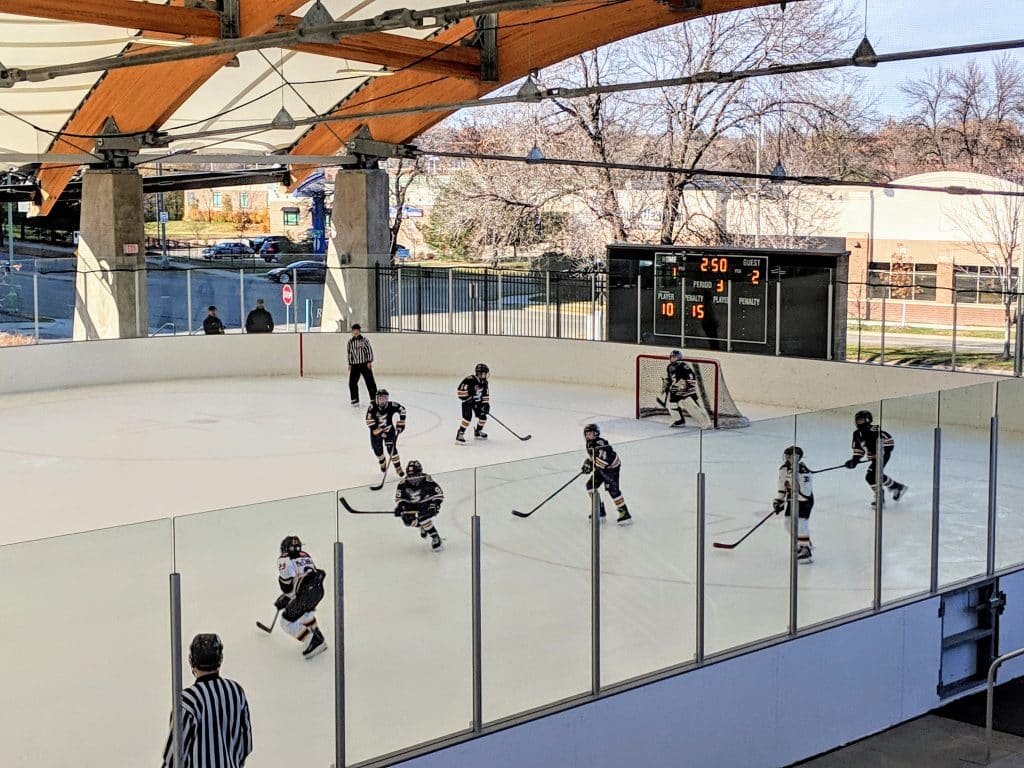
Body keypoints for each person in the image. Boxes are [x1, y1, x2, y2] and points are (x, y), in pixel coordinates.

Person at [161, 633, 252, 768]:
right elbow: (246, 743)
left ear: (191, 660)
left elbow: (173, 756)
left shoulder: (188, 700)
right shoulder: (236, 691)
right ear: (220, 659)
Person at [274, 536, 328, 660]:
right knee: (305, 614)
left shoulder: (284, 559)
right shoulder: (305, 555)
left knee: (286, 622)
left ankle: (312, 640)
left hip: (306, 593)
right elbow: (302, 579)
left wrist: (286, 596)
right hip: (318, 590)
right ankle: (316, 634)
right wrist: (288, 597)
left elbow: (287, 586)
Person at [844, 410, 908, 509]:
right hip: (875, 458)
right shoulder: (857, 434)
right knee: (875, 475)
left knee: (871, 476)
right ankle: (896, 487)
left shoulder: (875, 430)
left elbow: (889, 441)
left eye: (861, 420)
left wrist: (882, 452)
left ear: (868, 420)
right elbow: (859, 449)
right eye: (858, 421)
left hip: (882, 456)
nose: (859, 423)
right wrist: (854, 460)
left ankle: (880, 497)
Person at [582, 423, 632, 526]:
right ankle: (599, 510)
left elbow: (604, 462)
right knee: (590, 486)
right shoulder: (589, 444)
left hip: (611, 469)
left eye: (591, 434)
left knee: (613, 490)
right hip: (602, 468)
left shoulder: (601, 444)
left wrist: (591, 465)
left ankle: (624, 513)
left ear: (596, 434)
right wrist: (588, 463)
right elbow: (594, 458)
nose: (589, 436)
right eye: (587, 434)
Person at [772, 446, 815, 564]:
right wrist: (779, 501)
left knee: (801, 523)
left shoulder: (804, 471)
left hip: (804, 501)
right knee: (788, 523)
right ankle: (804, 541)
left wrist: (795, 491)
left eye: (790, 456)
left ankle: (805, 550)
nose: (787, 458)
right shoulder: (784, 469)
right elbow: (782, 486)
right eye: (787, 455)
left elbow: (806, 492)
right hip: (792, 500)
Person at [394, 460, 444, 552]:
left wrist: (435, 504)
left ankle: (435, 537)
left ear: (420, 473)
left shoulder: (428, 481)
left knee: (423, 518)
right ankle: (423, 526)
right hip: (412, 505)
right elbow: (400, 498)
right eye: (410, 476)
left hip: (427, 504)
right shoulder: (403, 484)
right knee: (407, 521)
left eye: (415, 476)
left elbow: (439, 494)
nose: (413, 479)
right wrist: (400, 507)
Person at [661, 349, 713, 428]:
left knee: (692, 407)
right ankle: (679, 421)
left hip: (687, 390)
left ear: (679, 358)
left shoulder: (683, 365)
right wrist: (667, 384)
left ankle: (706, 423)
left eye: (674, 357)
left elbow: (691, 376)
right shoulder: (669, 367)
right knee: (672, 404)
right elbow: (671, 379)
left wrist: (685, 385)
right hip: (676, 390)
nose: (672, 359)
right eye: (671, 357)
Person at [366, 389, 406, 477]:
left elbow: (402, 409)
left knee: (391, 449)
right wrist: (378, 431)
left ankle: (398, 468)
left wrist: (401, 422)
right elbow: (369, 421)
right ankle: (382, 461)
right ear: (377, 398)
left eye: (385, 398)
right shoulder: (372, 406)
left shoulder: (391, 405)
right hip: (376, 432)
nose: (383, 401)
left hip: (389, 430)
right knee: (377, 450)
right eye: (381, 398)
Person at [456, 363, 490, 444]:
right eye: (484, 373)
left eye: (486, 373)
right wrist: (468, 399)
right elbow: (460, 392)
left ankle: (477, 431)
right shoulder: (469, 379)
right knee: (467, 418)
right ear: (478, 373)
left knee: (483, 418)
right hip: (467, 402)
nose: (485, 375)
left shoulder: (485, 382)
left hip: (477, 403)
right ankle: (460, 434)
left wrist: (485, 404)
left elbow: (485, 394)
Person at [347, 324, 377, 406]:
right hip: (355, 365)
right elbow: (350, 353)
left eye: (357, 330)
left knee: (370, 382)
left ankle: (374, 399)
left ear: (359, 331)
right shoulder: (350, 342)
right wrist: (350, 363)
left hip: (364, 364)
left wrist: (369, 361)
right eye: (354, 330)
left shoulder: (365, 340)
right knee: (352, 382)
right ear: (352, 332)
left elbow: (369, 351)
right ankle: (354, 399)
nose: (356, 332)